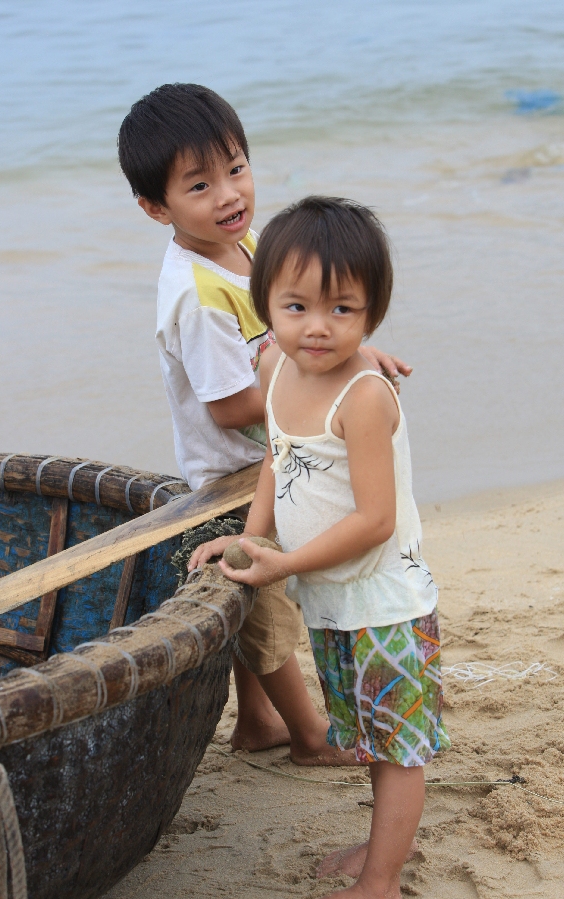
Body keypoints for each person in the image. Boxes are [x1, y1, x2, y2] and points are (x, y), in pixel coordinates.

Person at [118, 84, 412, 766]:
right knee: (267, 603)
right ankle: (310, 736)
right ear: (155, 207)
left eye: (236, 168)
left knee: (256, 597)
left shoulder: (244, 243)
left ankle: (254, 720)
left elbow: (291, 332)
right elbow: (228, 405)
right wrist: (328, 384)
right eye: (199, 185)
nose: (228, 195)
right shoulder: (195, 294)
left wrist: (353, 354)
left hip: (272, 453)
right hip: (232, 471)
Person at [189, 196, 450, 898]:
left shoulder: (364, 395)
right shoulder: (276, 367)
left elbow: (374, 519)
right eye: (296, 306)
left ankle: (382, 879)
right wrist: (251, 536)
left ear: (373, 312)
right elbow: (276, 454)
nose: (317, 326)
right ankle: (379, 847)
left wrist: (286, 563)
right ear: (265, 303)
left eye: (343, 309)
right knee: (368, 732)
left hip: (383, 600)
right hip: (332, 597)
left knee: (397, 748)